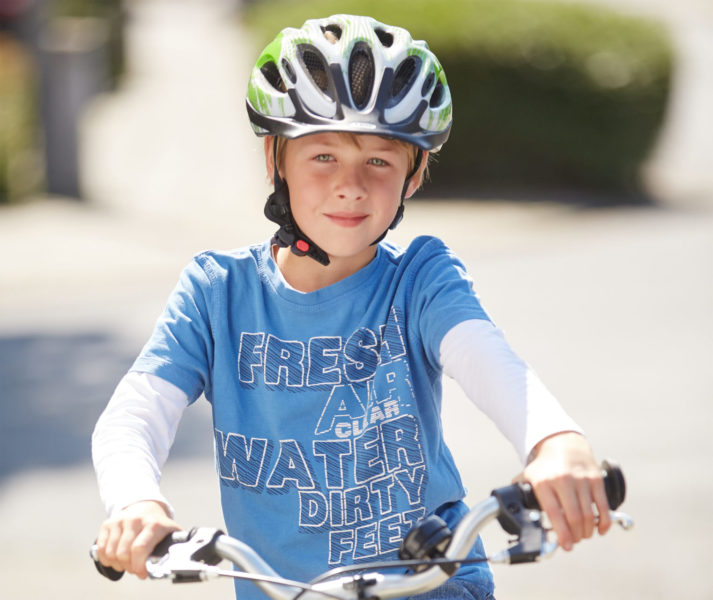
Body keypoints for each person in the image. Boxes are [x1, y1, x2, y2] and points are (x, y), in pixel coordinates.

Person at [92, 14, 612, 600]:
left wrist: (555, 442)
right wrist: (136, 500)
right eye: (322, 157)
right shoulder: (218, 292)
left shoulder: (419, 280)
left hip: (430, 584)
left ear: (412, 177)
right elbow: (134, 414)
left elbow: (488, 358)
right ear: (275, 160)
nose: (351, 185)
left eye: (379, 162)